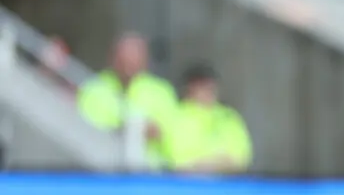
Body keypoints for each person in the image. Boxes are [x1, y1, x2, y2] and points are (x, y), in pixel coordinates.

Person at [76, 34, 179, 168]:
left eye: (134, 60)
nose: (128, 67)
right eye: (124, 60)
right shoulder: (93, 89)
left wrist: (155, 131)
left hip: (153, 176)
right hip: (104, 172)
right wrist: (132, 129)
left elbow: (172, 133)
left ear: (145, 61)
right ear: (113, 59)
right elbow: (88, 128)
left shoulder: (162, 91)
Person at [164, 63, 254, 174]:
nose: (208, 88)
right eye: (202, 83)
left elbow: (242, 158)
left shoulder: (229, 116)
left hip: (228, 185)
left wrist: (210, 164)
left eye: (211, 83)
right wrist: (217, 163)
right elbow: (178, 162)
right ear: (189, 87)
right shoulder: (175, 116)